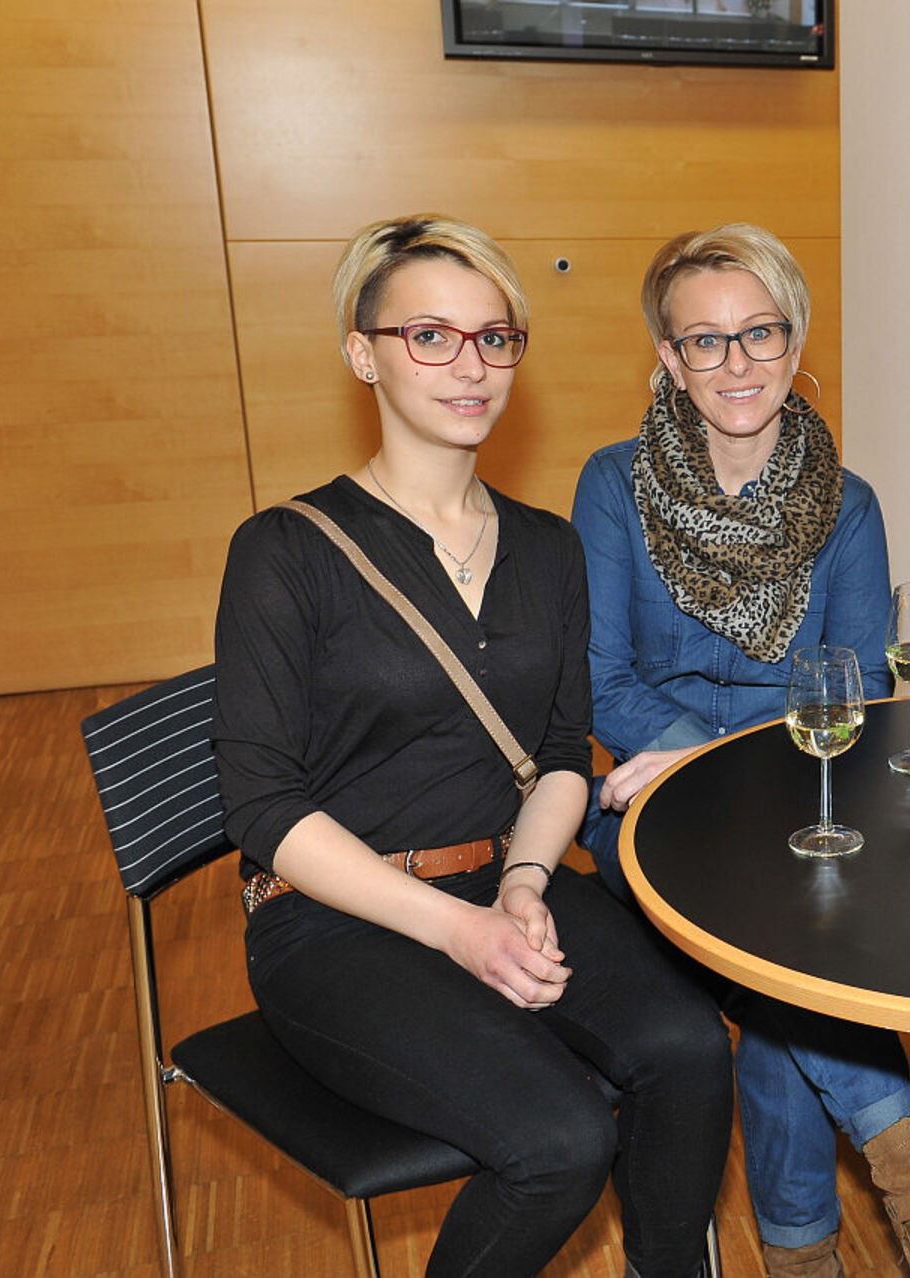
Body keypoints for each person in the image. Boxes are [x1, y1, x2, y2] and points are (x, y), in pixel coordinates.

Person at [210, 214, 735, 1278]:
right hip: (337, 917)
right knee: (559, 1143)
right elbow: (262, 805)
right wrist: (458, 930)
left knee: (689, 1052)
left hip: (507, 880)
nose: (471, 366)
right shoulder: (284, 551)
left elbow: (558, 753)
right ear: (363, 353)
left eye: (494, 338)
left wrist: (526, 882)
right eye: (430, 336)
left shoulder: (547, 547)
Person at [574, 223, 910, 1278]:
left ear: (794, 341)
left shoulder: (849, 504)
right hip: (655, 806)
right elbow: (602, 682)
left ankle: (805, 1256)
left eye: (760, 333)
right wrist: (703, 764)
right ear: (669, 359)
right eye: (705, 341)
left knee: (784, 955)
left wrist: (745, 766)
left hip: (805, 795)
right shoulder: (612, 486)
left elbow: (862, 690)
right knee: (795, 956)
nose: (736, 362)